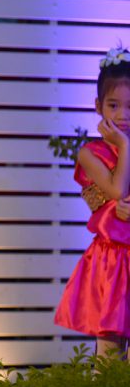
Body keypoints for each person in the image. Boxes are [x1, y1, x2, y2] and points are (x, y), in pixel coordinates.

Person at [55, 46, 130, 359]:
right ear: (98, 106)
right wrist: (123, 145)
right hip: (113, 261)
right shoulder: (90, 153)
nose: (123, 115)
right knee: (110, 353)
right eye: (114, 105)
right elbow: (116, 190)